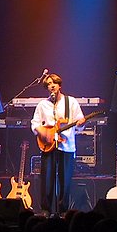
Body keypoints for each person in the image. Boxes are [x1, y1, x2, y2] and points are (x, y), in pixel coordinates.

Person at [31, 73, 85, 216]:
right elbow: (34, 124)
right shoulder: (43, 105)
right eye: (48, 84)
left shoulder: (71, 102)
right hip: (48, 146)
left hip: (66, 146)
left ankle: (63, 211)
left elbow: (80, 123)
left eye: (53, 83)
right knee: (47, 179)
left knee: (64, 180)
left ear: (59, 85)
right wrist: (45, 134)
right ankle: (46, 210)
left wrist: (80, 124)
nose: (51, 86)